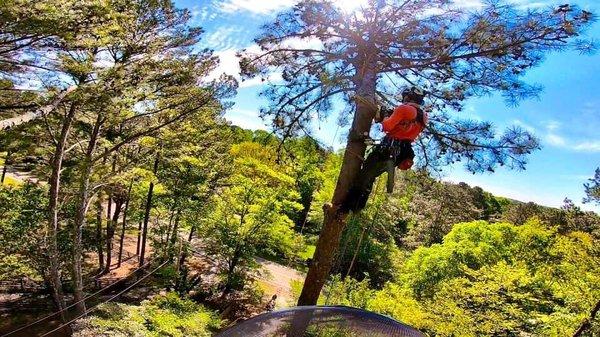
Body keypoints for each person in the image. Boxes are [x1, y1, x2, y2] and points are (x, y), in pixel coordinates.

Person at [342, 86, 428, 212]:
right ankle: (357, 207)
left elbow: (387, 126)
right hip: (401, 152)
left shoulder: (404, 109)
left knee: (364, 176)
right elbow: (404, 126)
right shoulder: (423, 115)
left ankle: (345, 208)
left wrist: (384, 117)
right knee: (370, 176)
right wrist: (391, 114)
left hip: (389, 148)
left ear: (408, 97)